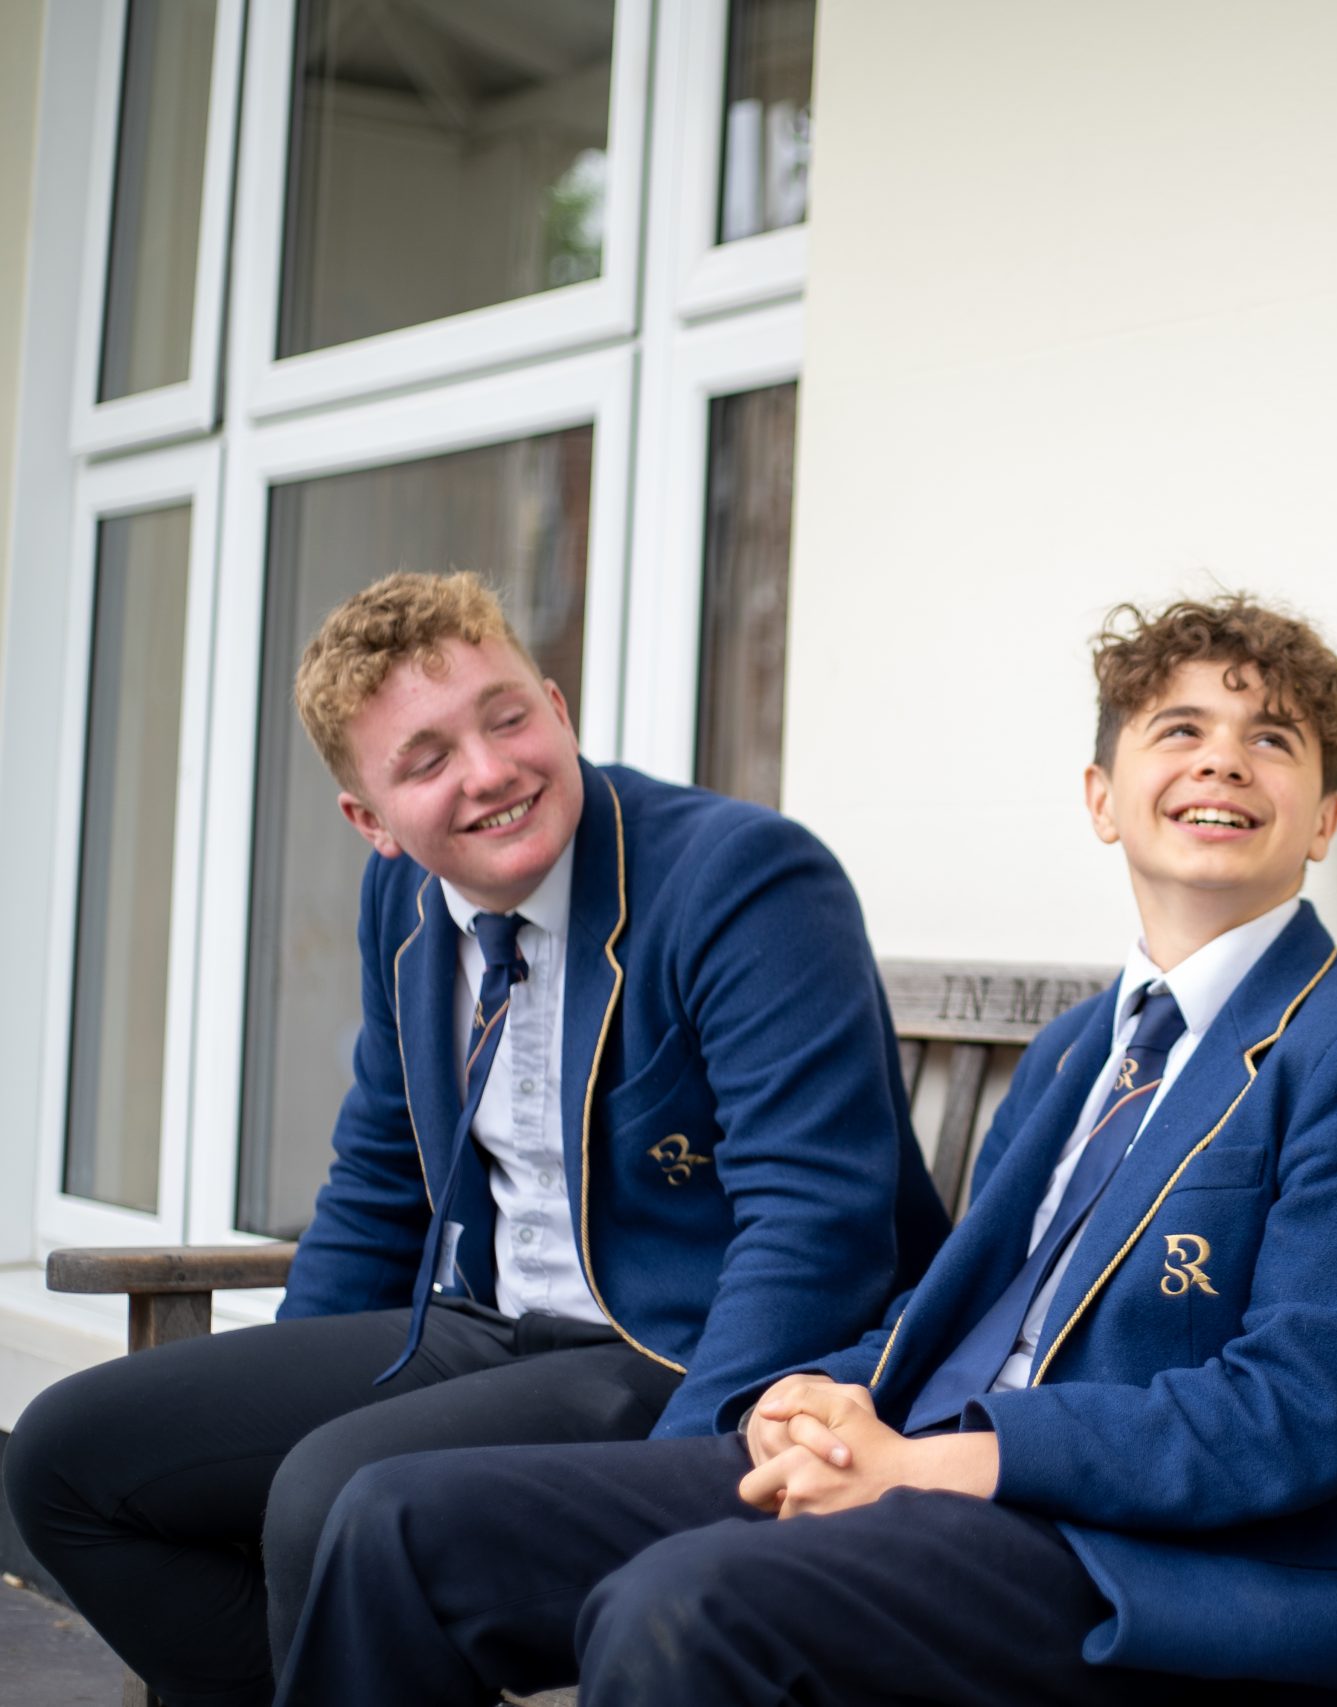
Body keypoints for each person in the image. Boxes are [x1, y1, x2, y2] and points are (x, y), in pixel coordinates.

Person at [271, 592, 1337, 1707]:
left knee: (680, 1609)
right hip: (925, 1468)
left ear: (1322, 821)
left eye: (1271, 740)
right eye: (1179, 729)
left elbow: (1290, 1414)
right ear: (1102, 796)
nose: (1223, 757)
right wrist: (814, 1397)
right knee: (396, 1525)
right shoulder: (1077, 1054)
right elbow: (960, 1317)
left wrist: (925, 1468)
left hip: (1153, 1571)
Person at [5, 571, 948, 1707]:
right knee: (63, 1458)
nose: (491, 771)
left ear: (555, 705)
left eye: (507, 717)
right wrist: (279, 1406)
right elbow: (381, 1171)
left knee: (333, 1490)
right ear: (372, 823)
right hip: (483, 1329)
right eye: (427, 759)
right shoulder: (402, 910)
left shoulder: (740, 879)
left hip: (677, 1355)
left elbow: (817, 1230)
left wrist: (669, 1492)